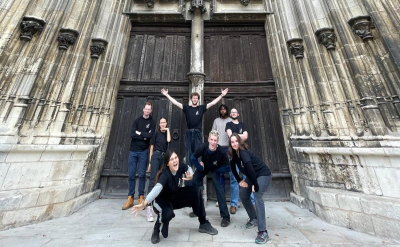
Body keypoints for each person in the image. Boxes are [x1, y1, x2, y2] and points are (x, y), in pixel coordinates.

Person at [131, 149, 218, 244]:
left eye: (176, 158)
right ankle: (157, 229)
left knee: (196, 191)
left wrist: (191, 175)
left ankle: (203, 223)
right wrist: (145, 203)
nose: (175, 161)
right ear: (167, 163)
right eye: (172, 159)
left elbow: (188, 168)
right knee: (167, 213)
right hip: (161, 200)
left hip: (175, 196)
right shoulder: (165, 174)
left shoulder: (179, 165)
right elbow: (157, 189)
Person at [161, 88, 228, 168]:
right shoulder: (187, 108)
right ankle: (188, 170)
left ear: (198, 100)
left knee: (199, 152)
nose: (195, 99)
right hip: (189, 133)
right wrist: (167, 95)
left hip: (198, 133)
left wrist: (221, 95)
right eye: (193, 98)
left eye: (196, 98)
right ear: (191, 99)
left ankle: (199, 168)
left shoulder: (201, 108)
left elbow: (212, 103)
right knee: (188, 152)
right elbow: (175, 103)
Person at [228, 133, 272, 244]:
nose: (234, 144)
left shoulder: (243, 153)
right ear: (230, 144)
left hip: (263, 174)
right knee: (243, 193)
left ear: (239, 141)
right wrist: (239, 180)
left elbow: (251, 170)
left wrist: (255, 185)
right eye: (232, 142)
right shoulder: (234, 155)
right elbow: (232, 167)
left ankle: (263, 232)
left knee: (257, 195)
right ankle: (254, 218)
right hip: (253, 177)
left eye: (236, 141)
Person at [187, 130, 231, 227]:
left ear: (217, 141)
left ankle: (225, 217)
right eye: (211, 139)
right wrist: (199, 167)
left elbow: (228, 167)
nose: (213, 142)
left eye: (215, 140)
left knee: (218, 187)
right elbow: (192, 158)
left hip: (216, 169)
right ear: (208, 140)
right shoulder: (202, 147)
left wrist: (218, 169)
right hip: (205, 167)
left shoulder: (221, 152)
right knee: (194, 182)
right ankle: (197, 210)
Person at [122, 102, 156, 210]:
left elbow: (150, 135)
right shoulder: (137, 121)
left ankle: (141, 197)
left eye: (149, 109)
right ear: (143, 109)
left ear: (151, 111)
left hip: (143, 151)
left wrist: (139, 133)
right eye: (146, 109)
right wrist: (144, 135)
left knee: (142, 174)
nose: (147, 111)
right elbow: (132, 134)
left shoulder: (152, 122)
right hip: (133, 151)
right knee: (131, 174)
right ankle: (130, 197)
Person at [226, 108, 255, 209]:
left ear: (238, 113)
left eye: (235, 112)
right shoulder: (228, 124)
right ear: (230, 114)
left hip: (243, 153)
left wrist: (235, 135)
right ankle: (234, 204)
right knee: (234, 178)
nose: (233, 113)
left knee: (247, 176)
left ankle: (252, 202)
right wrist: (239, 136)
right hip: (233, 153)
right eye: (232, 112)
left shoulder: (243, 124)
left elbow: (246, 137)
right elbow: (231, 137)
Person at [211, 104, 237, 214]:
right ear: (219, 111)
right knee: (220, 175)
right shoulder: (216, 121)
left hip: (230, 149)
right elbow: (213, 133)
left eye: (224, 109)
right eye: (221, 109)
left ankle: (234, 203)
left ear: (227, 110)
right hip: (219, 149)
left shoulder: (231, 120)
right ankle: (220, 199)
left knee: (233, 175)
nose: (223, 110)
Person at [145, 117, 171, 222]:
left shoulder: (166, 134)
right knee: (152, 180)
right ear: (159, 124)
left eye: (164, 122)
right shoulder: (156, 134)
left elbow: (169, 140)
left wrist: (168, 130)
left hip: (164, 158)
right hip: (156, 156)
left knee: (161, 181)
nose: (163, 124)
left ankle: (158, 205)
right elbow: (151, 147)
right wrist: (150, 162)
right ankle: (149, 208)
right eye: (161, 123)